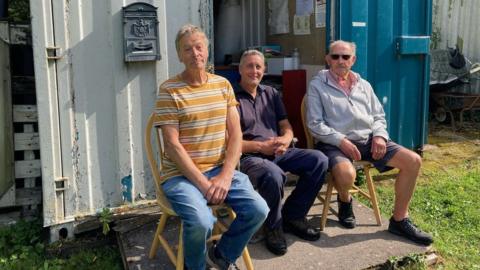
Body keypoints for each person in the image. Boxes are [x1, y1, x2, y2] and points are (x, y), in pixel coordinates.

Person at [153, 25, 269, 270]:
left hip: (219, 170)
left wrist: (226, 175)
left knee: (259, 209)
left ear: (207, 50)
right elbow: (172, 146)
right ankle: (195, 266)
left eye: (199, 47)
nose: (195, 53)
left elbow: (236, 134)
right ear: (179, 55)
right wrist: (205, 185)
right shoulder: (169, 90)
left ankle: (223, 256)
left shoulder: (222, 85)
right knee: (202, 221)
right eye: (187, 49)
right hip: (180, 176)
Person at [306, 40, 433, 245]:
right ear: (328, 59)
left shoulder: (363, 85)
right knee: (347, 175)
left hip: (368, 139)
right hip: (334, 143)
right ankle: (345, 200)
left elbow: (378, 116)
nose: (340, 60)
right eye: (335, 56)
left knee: (413, 161)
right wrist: (341, 141)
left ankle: (399, 220)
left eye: (345, 57)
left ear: (353, 60)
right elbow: (315, 124)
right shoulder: (317, 85)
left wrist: (380, 136)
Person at [235, 50, 328, 255]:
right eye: (249, 66)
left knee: (319, 160)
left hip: (278, 151)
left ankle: (294, 215)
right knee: (273, 174)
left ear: (264, 70)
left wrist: (286, 139)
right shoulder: (231, 98)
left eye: (258, 66)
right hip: (250, 156)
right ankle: (273, 226)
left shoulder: (271, 93)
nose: (254, 70)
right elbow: (230, 143)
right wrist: (260, 147)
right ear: (240, 69)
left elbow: (286, 126)